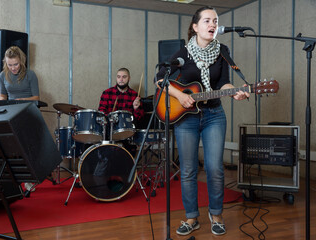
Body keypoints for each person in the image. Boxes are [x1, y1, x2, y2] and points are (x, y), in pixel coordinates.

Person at [155, 6, 250, 236]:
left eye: (215, 21)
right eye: (207, 20)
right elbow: (160, 79)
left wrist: (235, 91)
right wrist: (180, 96)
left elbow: (223, 84)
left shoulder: (222, 51)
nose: (213, 25)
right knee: (187, 170)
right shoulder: (182, 53)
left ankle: (216, 214)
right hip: (186, 119)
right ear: (195, 27)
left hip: (214, 116)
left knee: (215, 168)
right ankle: (191, 218)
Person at [0, 46, 40, 192]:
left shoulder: (30, 74)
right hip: (11, 113)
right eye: (10, 65)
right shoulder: (3, 75)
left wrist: (22, 99)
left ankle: (29, 178)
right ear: (5, 63)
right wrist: (0, 101)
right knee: (12, 147)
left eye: (15, 64)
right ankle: (15, 178)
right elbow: (3, 95)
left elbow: (36, 97)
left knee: (26, 146)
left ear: (21, 61)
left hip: (28, 111)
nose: (13, 68)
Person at [98, 68, 144, 155]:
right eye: (119, 77)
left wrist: (136, 108)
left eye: (124, 77)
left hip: (127, 133)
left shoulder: (134, 95)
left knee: (127, 157)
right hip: (109, 131)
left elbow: (139, 118)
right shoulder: (107, 93)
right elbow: (101, 113)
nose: (121, 79)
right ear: (116, 78)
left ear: (129, 78)